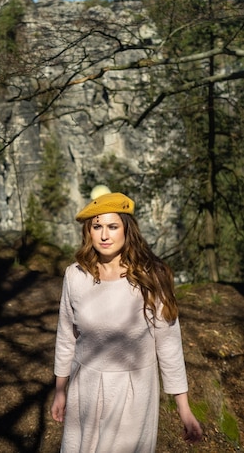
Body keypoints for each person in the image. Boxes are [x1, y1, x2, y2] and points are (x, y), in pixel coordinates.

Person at [51, 191, 203, 453]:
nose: (104, 235)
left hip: (133, 394)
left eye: (112, 226)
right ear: (88, 231)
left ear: (127, 229)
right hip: (83, 390)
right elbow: (66, 335)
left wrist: (184, 408)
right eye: (97, 226)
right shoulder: (75, 275)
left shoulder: (152, 277)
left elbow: (168, 345)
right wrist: (60, 390)